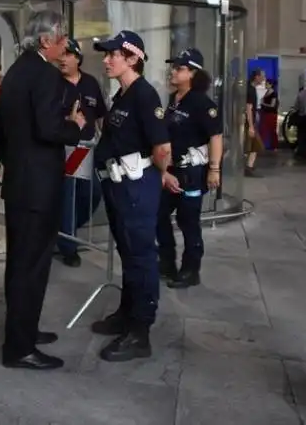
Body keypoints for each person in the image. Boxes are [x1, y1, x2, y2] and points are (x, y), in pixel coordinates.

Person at [0, 10, 85, 371]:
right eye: (63, 38)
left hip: (22, 182)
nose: (67, 44)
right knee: (32, 266)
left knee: (20, 263)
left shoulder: (16, 70)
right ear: (46, 40)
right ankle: (19, 348)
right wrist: (74, 127)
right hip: (38, 187)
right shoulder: (45, 75)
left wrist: (15, 158)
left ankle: (24, 331)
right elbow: (49, 129)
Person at [88, 30, 171, 363]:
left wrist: (161, 174)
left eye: (113, 55)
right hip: (118, 185)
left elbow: (162, 147)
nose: (106, 60)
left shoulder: (144, 95)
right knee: (128, 253)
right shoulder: (123, 95)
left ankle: (140, 331)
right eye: (106, 54)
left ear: (133, 58)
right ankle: (127, 313)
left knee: (141, 258)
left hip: (136, 186)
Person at [156, 48, 223, 289]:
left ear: (194, 73)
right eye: (173, 67)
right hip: (171, 171)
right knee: (158, 215)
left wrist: (214, 170)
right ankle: (166, 262)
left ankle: (190, 269)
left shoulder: (202, 103)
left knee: (188, 221)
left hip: (192, 174)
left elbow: (215, 137)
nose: (173, 71)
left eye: (180, 68)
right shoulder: (174, 101)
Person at [57, 38, 106, 268]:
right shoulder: (54, 84)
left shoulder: (91, 83)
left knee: (92, 194)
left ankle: (66, 231)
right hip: (65, 149)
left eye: (67, 55)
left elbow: (100, 115)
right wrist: (67, 120)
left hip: (88, 148)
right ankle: (68, 247)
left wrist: (106, 141)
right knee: (67, 197)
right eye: (61, 55)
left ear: (77, 58)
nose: (62, 59)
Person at [244, 69, 265, 177]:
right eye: (262, 76)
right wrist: (251, 126)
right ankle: (248, 166)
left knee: (252, 145)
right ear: (256, 77)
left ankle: (248, 166)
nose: (263, 78)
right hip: (248, 121)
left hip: (247, 120)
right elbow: (249, 108)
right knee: (256, 144)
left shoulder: (249, 88)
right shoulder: (251, 90)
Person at [259, 81, 279, 150]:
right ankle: (262, 146)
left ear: (271, 85)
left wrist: (263, 103)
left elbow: (272, 105)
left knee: (272, 130)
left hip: (271, 114)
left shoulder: (273, 94)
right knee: (264, 130)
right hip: (266, 113)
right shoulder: (267, 93)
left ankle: (274, 146)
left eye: (267, 84)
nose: (265, 85)